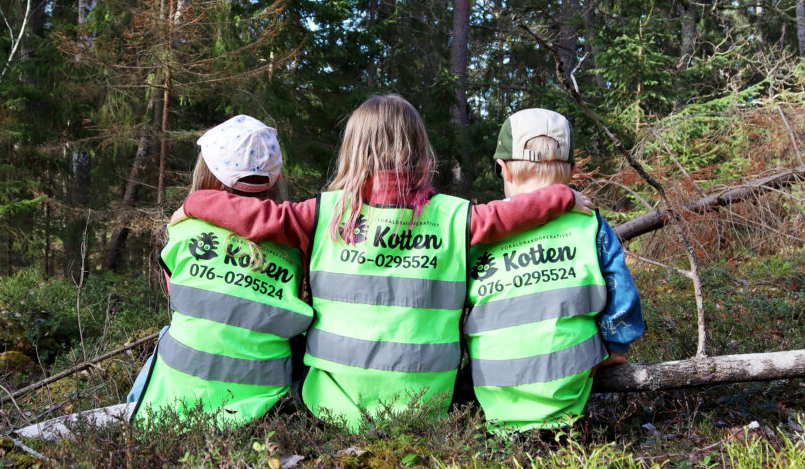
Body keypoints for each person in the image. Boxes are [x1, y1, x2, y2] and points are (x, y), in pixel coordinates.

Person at [172, 94, 594, 431]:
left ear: (353, 152)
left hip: (332, 410)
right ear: (420, 150)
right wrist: (563, 195)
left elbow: (257, 216)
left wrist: (193, 203)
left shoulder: (322, 214)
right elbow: (507, 216)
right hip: (426, 409)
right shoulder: (454, 216)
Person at [465, 108, 644, 433]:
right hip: (570, 382)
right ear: (573, 171)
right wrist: (617, 345)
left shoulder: (482, 230)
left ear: (503, 168)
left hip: (493, 382)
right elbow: (620, 288)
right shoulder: (588, 224)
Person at [128, 115, 313, 426]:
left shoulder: (183, 232)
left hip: (174, 410)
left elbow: (184, 302)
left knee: (170, 333)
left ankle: (133, 414)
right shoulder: (296, 244)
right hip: (264, 405)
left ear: (207, 172)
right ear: (276, 178)